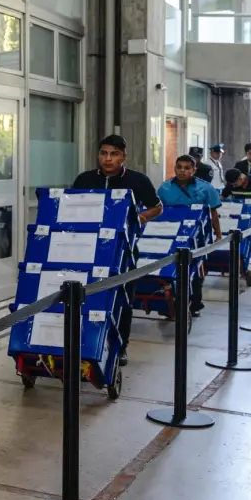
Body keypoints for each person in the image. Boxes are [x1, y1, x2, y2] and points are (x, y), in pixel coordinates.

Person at [72, 135, 162, 365]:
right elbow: (72, 207)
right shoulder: (84, 179)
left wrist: (138, 219)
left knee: (122, 299)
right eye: (104, 153)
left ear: (123, 156)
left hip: (123, 252)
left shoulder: (137, 180)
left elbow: (157, 207)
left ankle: (121, 346)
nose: (108, 158)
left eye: (114, 154)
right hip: (87, 249)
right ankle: (83, 342)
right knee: (85, 296)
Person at [157, 155, 221, 315]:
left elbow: (213, 213)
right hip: (169, 235)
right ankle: (168, 305)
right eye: (179, 167)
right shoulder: (164, 189)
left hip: (197, 238)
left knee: (194, 269)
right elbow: (157, 213)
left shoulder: (206, 188)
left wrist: (218, 235)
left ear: (194, 170)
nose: (182, 171)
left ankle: (195, 304)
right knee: (169, 269)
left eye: (187, 168)